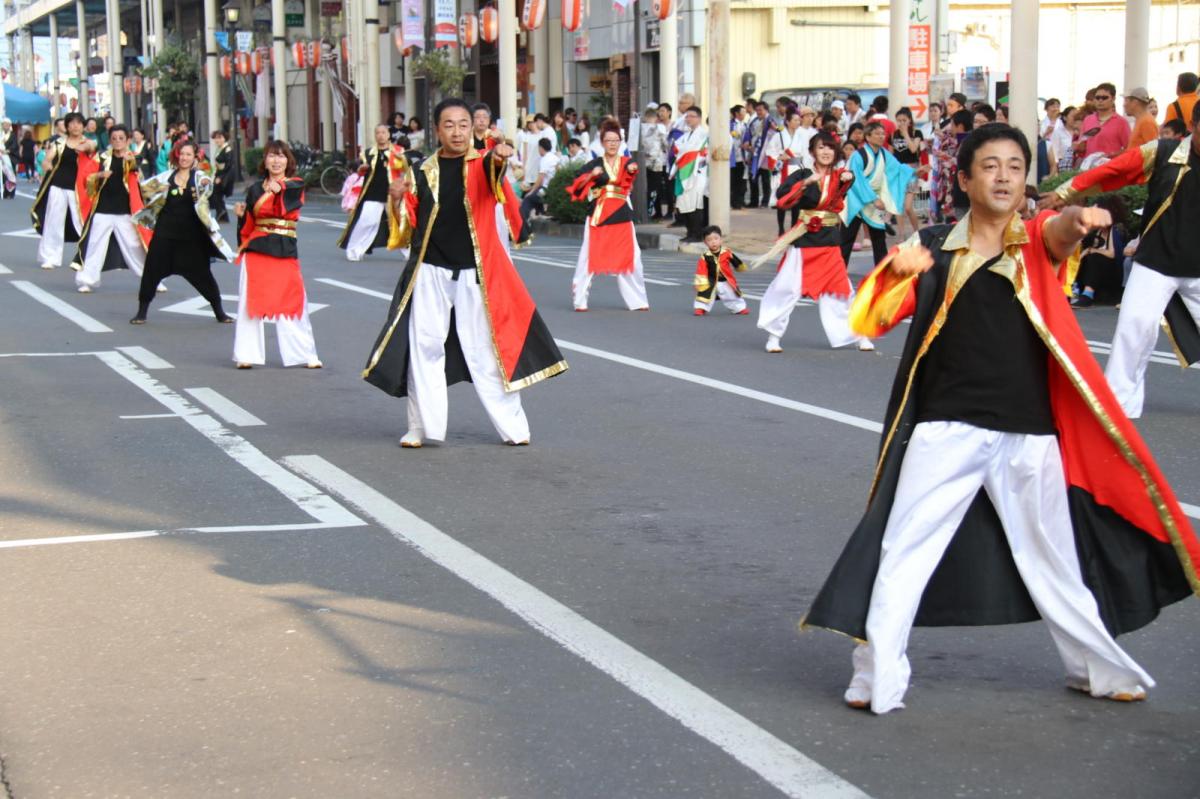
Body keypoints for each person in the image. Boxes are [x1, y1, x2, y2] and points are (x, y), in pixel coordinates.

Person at [805, 124, 1199, 715]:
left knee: (1053, 557)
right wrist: (896, 272)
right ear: (964, 180)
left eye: (1015, 166)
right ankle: (876, 675)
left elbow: (1062, 233)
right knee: (905, 548)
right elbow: (867, 320)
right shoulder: (937, 246)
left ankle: (1096, 667)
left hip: (1029, 433)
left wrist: (1081, 218)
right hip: (947, 430)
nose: (1005, 177)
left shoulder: (1035, 240)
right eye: (990, 166)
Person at [362, 97, 567, 448]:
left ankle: (514, 428)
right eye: (449, 125)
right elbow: (405, 231)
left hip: (476, 275)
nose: (457, 132)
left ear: (472, 128)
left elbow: (494, 173)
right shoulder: (422, 171)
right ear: (437, 130)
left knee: (484, 352)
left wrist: (501, 157)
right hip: (429, 272)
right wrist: (395, 199)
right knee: (423, 349)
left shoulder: (482, 164)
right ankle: (421, 427)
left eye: (462, 124)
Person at [1043, 103, 1200, 417]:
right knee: (1134, 326)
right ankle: (1118, 403)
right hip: (1156, 262)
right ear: (1195, 125)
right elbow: (1112, 170)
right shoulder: (1164, 153)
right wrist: (1068, 190)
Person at [756, 132, 873, 354]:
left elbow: (840, 199)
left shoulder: (841, 175)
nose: (826, 152)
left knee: (841, 290)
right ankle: (774, 336)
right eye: (821, 148)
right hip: (804, 239)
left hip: (828, 240)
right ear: (812, 152)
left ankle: (859, 334)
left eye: (830, 148)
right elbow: (782, 199)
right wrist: (805, 183)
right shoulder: (802, 173)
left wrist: (848, 180)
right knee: (787, 287)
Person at [231, 141, 321, 369]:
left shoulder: (295, 185)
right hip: (258, 247)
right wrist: (242, 216)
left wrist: (279, 189)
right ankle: (246, 354)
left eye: (281, 156)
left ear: (288, 161)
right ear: (265, 160)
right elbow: (249, 225)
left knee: (293, 301)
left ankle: (304, 354)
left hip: (284, 247)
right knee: (250, 302)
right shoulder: (254, 189)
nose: (276, 160)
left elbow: (288, 205)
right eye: (272, 156)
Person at [130, 140, 236, 325]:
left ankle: (219, 311)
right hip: (165, 234)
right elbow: (143, 189)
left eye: (188, 154)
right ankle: (142, 311)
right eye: (182, 154)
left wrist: (204, 183)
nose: (184, 158)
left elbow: (207, 187)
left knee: (204, 275)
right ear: (176, 156)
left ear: (195, 157)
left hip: (191, 237)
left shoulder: (199, 177)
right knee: (151, 271)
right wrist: (156, 190)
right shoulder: (166, 177)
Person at [568, 120, 649, 312]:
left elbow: (632, 171)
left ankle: (637, 300)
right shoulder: (594, 164)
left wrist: (632, 169)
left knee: (631, 256)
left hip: (621, 211)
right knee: (588, 255)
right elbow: (577, 183)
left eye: (616, 140)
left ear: (620, 142)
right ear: (602, 142)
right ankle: (580, 298)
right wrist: (591, 176)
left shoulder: (626, 162)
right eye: (608, 140)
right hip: (599, 212)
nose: (612, 143)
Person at [71, 124, 155, 294]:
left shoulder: (133, 158)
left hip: (126, 211)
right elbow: (86, 178)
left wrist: (129, 162)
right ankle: (87, 280)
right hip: (102, 210)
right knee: (95, 245)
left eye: (121, 138)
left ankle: (153, 278)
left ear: (128, 140)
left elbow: (138, 176)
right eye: (114, 138)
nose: (117, 142)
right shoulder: (101, 158)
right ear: (110, 140)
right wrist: (100, 175)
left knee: (134, 245)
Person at [842, 121, 914, 266]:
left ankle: (882, 273)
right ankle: (837, 276)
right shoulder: (858, 155)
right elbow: (857, 179)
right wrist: (874, 199)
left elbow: (898, 169)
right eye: (877, 134)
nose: (881, 136)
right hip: (855, 200)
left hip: (873, 201)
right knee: (846, 240)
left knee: (879, 240)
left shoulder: (884, 154)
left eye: (883, 134)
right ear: (867, 137)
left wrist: (915, 172)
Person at [338, 123, 411, 262]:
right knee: (367, 221)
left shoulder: (399, 151)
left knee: (401, 222)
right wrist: (362, 169)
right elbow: (360, 171)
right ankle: (354, 250)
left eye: (383, 132)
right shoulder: (368, 153)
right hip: (373, 192)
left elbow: (406, 170)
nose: (381, 135)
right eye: (378, 133)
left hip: (394, 193)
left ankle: (409, 251)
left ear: (389, 135)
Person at [31, 111, 92, 270]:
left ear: (83, 126)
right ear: (66, 126)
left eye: (78, 123)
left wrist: (83, 146)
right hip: (58, 186)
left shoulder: (89, 143)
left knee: (83, 222)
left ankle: (89, 256)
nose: (75, 126)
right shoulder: (59, 143)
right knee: (53, 222)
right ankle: (49, 257)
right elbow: (47, 160)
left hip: (79, 190)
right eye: (71, 123)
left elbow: (91, 149)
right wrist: (47, 166)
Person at [1069, 194, 1128, 307]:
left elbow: (1112, 254)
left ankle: (1088, 294)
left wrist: (1093, 251)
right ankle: (1074, 289)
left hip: (1112, 270)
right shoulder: (1098, 231)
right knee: (1083, 257)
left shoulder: (1116, 229)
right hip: (1097, 267)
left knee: (1094, 257)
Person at [764, 109, 809, 235]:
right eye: (795, 120)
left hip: (797, 168)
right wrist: (779, 157)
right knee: (782, 198)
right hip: (785, 169)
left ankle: (794, 227)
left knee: (797, 199)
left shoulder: (800, 136)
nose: (798, 122)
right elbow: (770, 151)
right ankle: (781, 228)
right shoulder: (778, 136)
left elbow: (805, 153)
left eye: (799, 120)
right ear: (788, 122)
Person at [671, 107, 709, 243]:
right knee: (684, 202)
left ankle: (697, 233)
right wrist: (685, 152)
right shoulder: (685, 135)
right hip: (683, 171)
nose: (688, 119)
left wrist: (687, 153)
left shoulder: (704, 134)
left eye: (692, 116)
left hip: (696, 173)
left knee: (695, 203)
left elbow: (698, 152)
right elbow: (677, 148)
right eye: (687, 116)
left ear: (698, 118)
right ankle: (689, 231)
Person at [693, 225, 748, 315]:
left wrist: (739, 266)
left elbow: (734, 260)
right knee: (705, 293)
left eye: (716, 238)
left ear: (721, 239)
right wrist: (701, 281)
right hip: (711, 279)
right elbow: (701, 269)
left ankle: (739, 308)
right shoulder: (705, 256)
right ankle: (700, 308)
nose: (713, 242)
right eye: (709, 240)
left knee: (731, 294)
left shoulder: (726, 252)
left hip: (725, 279)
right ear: (705, 242)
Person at [891, 107, 925, 238]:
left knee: (908, 206)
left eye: (904, 120)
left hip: (911, 171)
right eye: (898, 120)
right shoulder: (893, 134)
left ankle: (917, 232)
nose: (901, 123)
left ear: (910, 120)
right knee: (898, 205)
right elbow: (891, 154)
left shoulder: (917, 133)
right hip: (898, 172)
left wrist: (905, 134)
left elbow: (913, 149)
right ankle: (901, 235)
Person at [1077, 83, 1129, 161]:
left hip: (1111, 168)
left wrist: (1112, 155)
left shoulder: (1121, 122)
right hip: (1089, 168)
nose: (1100, 100)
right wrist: (1078, 148)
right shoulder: (1088, 120)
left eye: (1104, 97)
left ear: (1113, 99)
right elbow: (1082, 147)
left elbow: (1129, 149)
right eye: (1097, 97)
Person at [519, 137, 558, 227]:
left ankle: (521, 224)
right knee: (536, 199)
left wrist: (531, 191)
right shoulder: (554, 157)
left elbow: (540, 179)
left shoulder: (545, 160)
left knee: (528, 199)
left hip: (545, 189)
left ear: (540, 148)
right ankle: (540, 213)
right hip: (552, 187)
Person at [744, 101, 774, 209]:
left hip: (765, 155)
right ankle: (754, 201)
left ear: (766, 110)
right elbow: (748, 134)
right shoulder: (754, 122)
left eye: (760, 110)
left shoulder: (771, 121)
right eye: (757, 110)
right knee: (753, 178)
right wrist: (747, 142)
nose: (758, 112)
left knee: (766, 179)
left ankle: (765, 201)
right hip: (754, 154)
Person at [209, 130, 235, 222]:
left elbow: (228, 164)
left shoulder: (227, 149)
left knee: (216, 193)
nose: (217, 140)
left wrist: (220, 177)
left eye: (220, 138)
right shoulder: (219, 149)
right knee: (217, 194)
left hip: (224, 175)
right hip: (219, 173)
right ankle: (223, 215)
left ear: (225, 138)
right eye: (216, 138)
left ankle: (221, 211)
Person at [1048, 106, 1081, 174]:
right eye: (1073, 116)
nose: (1075, 119)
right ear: (1065, 117)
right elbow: (1054, 154)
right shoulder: (1058, 133)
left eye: (1077, 117)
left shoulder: (1080, 133)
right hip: (1063, 169)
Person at [730, 105, 748, 209]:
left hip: (743, 157)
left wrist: (747, 143)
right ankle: (734, 202)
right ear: (737, 113)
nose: (744, 114)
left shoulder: (745, 125)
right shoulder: (730, 124)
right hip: (733, 157)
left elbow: (748, 137)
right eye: (743, 112)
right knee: (734, 181)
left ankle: (740, 201)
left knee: (742, 181)